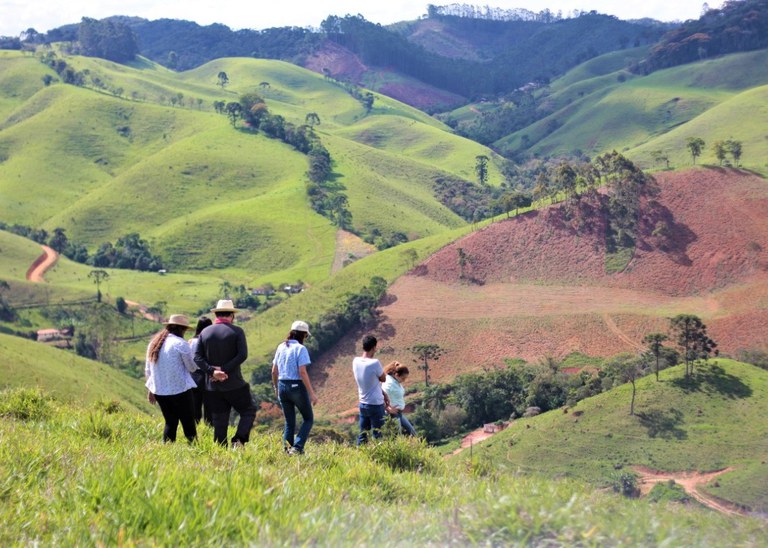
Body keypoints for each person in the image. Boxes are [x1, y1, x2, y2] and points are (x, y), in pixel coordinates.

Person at [193, 299, 255, 447]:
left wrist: (213, 372)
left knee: (220, 421)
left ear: (216, 314)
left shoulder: (205, 332)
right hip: (234, 383)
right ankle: (238, 440)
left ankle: (221, 451)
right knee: (248, 411)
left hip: (212, 386)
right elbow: (242, 355)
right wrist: (224, 370)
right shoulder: (237, 331)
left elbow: (197, 357)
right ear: (232, 315)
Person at [145, 314, 199, 443]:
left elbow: (148, 370)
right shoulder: (181, 344)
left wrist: (151, 389)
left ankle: (167, 450)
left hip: (160, 391)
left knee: (170, 422)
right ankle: (196, 451)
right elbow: (192, 368)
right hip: (180, 390)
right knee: (188, 423)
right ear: (181, 329)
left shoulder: (154, 343)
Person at [271, 320, 318, 455]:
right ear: (303, 335)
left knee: (289, 421)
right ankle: (297, 448)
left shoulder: (281, 347)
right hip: (296, 386)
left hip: (282, 385)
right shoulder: (300, 349)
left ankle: (287, 450)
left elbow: (274, 371)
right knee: (308, 418)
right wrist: (312, 394)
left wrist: (276, 388)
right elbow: (302, 372)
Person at [352, 334, 390, 445]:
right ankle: (379, 459)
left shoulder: (355, 361)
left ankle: (360, 457)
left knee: (363, 435)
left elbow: (370, 382)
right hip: (375, 404)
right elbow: (383, 378)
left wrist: (383, 393)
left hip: (363, 403)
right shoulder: (374, 363)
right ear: (374, 347)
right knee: (379, 435)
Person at [188, 316, 213, 425]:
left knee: (195, 406)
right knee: (209, 406)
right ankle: (209, 428)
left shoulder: (190, 341)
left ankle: (195, 428)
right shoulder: (210, 342)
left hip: (193, 375)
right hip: (208, 375)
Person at [383, 362, 417, 437]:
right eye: (403, 378)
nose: (404, 380)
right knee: (398, 437)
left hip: (398, 413)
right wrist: (388, 408)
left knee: (413, 433)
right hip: (392, 414)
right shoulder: (389, 384)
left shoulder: (395, 382)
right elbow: (381, 396)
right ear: (396, 375)